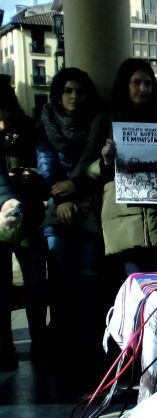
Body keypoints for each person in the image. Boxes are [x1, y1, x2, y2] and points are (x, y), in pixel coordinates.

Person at [92, 58, 157, 283]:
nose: (143, 89)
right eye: (136, 83)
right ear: (124, 84)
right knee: (136, 286)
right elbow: (88, 169)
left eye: (148, 83)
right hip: (125, 224)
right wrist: (106, 160)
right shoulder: (107, 119)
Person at [35, 67, 105, 347]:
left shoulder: (98, 124)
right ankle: (61, 340)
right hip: (57, 207)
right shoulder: (46, 123)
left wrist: (76, 189)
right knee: (59, 278)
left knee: (89, 279)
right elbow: (45, 167)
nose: (74, 96)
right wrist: (63, 199)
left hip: (91, 206)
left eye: (80, 91)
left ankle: (86, 341)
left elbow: (100, 168)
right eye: (68, 90)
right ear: (58, 94)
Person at [1, 83, 48, 367]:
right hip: (9, 216)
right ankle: (6, 348)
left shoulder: (29, 128)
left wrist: (34, 178)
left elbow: (42, 166)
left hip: (28, 215)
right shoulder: (29, 126)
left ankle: (39, 343)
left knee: (36, 287)